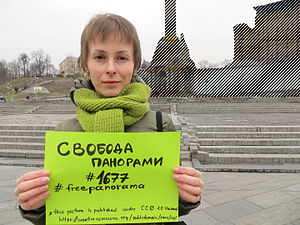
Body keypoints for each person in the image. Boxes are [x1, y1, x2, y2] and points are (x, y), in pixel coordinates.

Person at [14, 13, 204, 225]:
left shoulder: (162, 124)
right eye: (100, 57)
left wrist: (186, 196)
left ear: (135, 65)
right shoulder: (63, 133)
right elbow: (57, 213)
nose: (111, 68)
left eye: (121, 58)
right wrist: (33, 205)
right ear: (85, 64)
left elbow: (168, 206)